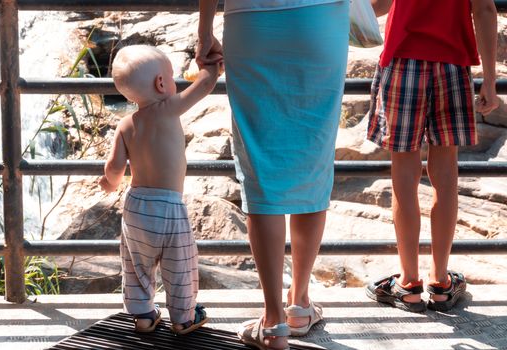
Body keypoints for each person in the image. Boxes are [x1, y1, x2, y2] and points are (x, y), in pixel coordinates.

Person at [197, 1, 349, 349]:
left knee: (261, 169)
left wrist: (204, 32)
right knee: (312, 159)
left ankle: (273, 321)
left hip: (252, 23)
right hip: (319, 20)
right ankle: (299, 305)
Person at [365, 0, 499, 312]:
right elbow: (485, 10)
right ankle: (440, 282)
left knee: (404, 176)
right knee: (446, 176)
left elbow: (378, 5)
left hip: (402, 60)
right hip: (452, 64)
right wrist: (490, 79)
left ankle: (409, 283)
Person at [99, 45, 221, 334]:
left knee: (137, 264)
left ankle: (143, 315)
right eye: (172, 76)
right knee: (180, 265)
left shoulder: (126, 124)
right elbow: (204, 85)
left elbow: (115, 167)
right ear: (162, 83)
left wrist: (109, 183)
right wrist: (213, 65)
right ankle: (183, 318)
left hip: (136, 205)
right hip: (168, 206)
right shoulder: (169, 109)